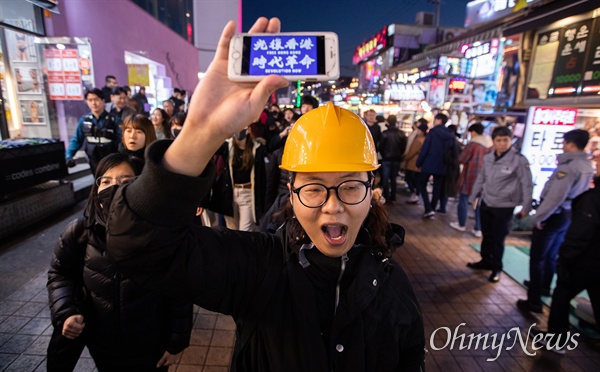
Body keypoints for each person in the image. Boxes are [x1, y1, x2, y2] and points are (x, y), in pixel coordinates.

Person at [105, 17, 425, 371]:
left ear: (372, 192)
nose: (333, 207)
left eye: (350, 186)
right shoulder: (257, 269)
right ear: (290, 192)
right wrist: (200, 132)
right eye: (315, 188)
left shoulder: (394, 285)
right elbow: (137, 248)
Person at [47, 153, 192, 371]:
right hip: (103, 347)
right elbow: (60, 273)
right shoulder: (80, 233)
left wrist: (176, 343)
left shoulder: (159, 233)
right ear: (96, 190)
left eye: (126, 182)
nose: (114, 188)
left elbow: (179, 288)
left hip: (151, 347)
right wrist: (65, 311)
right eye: (106, 181)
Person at [517, 129, 594, 313]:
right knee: (551, 255)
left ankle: (533, 300)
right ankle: (544, 286)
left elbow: (555, 197)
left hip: (554, 214)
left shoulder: (568, 167)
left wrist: (540, 217)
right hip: (568, 214)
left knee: (537, 258)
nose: (563, 146)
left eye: (564, 142)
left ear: (570, 144)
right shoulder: (587, 165)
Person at [531, 155, 600, 354]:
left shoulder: (592, 198)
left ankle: (557, 340)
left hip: (585, 261)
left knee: (562, 295)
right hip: (590, 259)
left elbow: (581, 233)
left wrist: (567, 258)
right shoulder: (586, 174)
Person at [467, 126, 533, 283]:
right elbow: (481, 178)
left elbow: (527, 184)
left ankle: (496, 268)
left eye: (506, 140)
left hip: (504, 207)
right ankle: (485, 261)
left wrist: (526, 206)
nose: (502, 143)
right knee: (487, 235)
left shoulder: (519, 160)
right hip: (487, 202)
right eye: (499, 140)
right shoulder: (489, 157)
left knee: (498, 239)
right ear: (493, 141)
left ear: (511, 140)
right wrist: (473, 196)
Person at [449, 123, 492, 237]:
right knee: (480, 203)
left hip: (470, 176)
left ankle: (461, 224)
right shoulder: (491, 144)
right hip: (485, 178)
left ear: (473, 132)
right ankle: (478, 228)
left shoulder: (473, 144)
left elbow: (462, 159)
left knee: (463, 199)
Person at [65, 88, 120, 175]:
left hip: (111, 159)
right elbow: (76, 140)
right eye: (90, 100)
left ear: (103, 100)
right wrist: (68, 156)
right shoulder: (84, 121)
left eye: (96, 99)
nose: (93, 103)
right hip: (94, 159)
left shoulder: (114, 119)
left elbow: (121, 139)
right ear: (86, 102)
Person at [416, 113, 456, 219]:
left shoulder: (433, 132)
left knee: (421, 184)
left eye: (435, 119)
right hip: (443, 165)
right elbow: (454, 152)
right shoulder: (450, 134)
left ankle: (428, 209)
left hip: (429, 163)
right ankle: (432, 209)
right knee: (437, 188)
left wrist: (419, 162)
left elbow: (425, 149)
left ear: (439, 120)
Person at [378, 115, 407, 203]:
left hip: (386, 158)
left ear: (388, 122)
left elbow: (381, 147)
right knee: (393, 178)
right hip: (397, 159)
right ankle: (393, 196)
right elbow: (403, 147)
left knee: (385, 178)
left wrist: (383, 155)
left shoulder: (385, 133)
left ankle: (386, 196)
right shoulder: (401, 134)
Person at [404, 120, 428, 204]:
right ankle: (416, 195)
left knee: (409, 178)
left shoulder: (418, 140)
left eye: (418, 130)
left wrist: (405, 158)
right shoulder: (426, 139)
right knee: (417, 181)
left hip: (413, 163)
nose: (417, 131)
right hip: (421, 164)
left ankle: (414, 194)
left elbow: (411, 151)